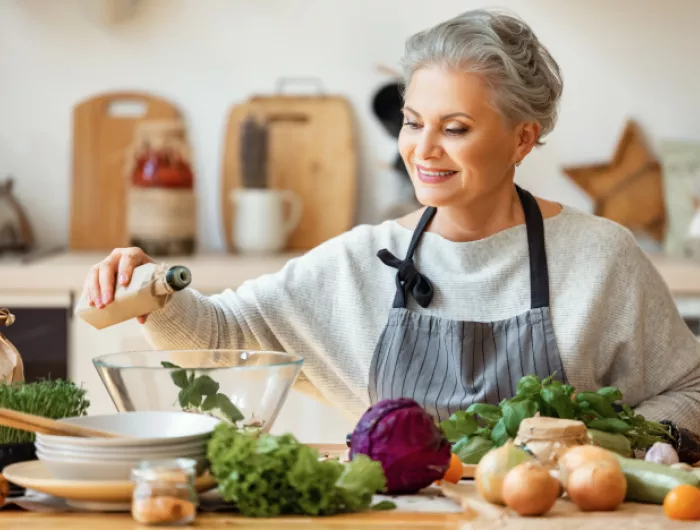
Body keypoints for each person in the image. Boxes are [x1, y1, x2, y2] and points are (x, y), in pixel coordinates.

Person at [82, 8, 700, 433]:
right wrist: (154, 293)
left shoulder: (600, 258)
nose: (422, 149)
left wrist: (614, 445)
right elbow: (222, 337)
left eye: (455, 128)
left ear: (521, 139)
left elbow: (691, 390)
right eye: (412, 121)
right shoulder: (359, 263)